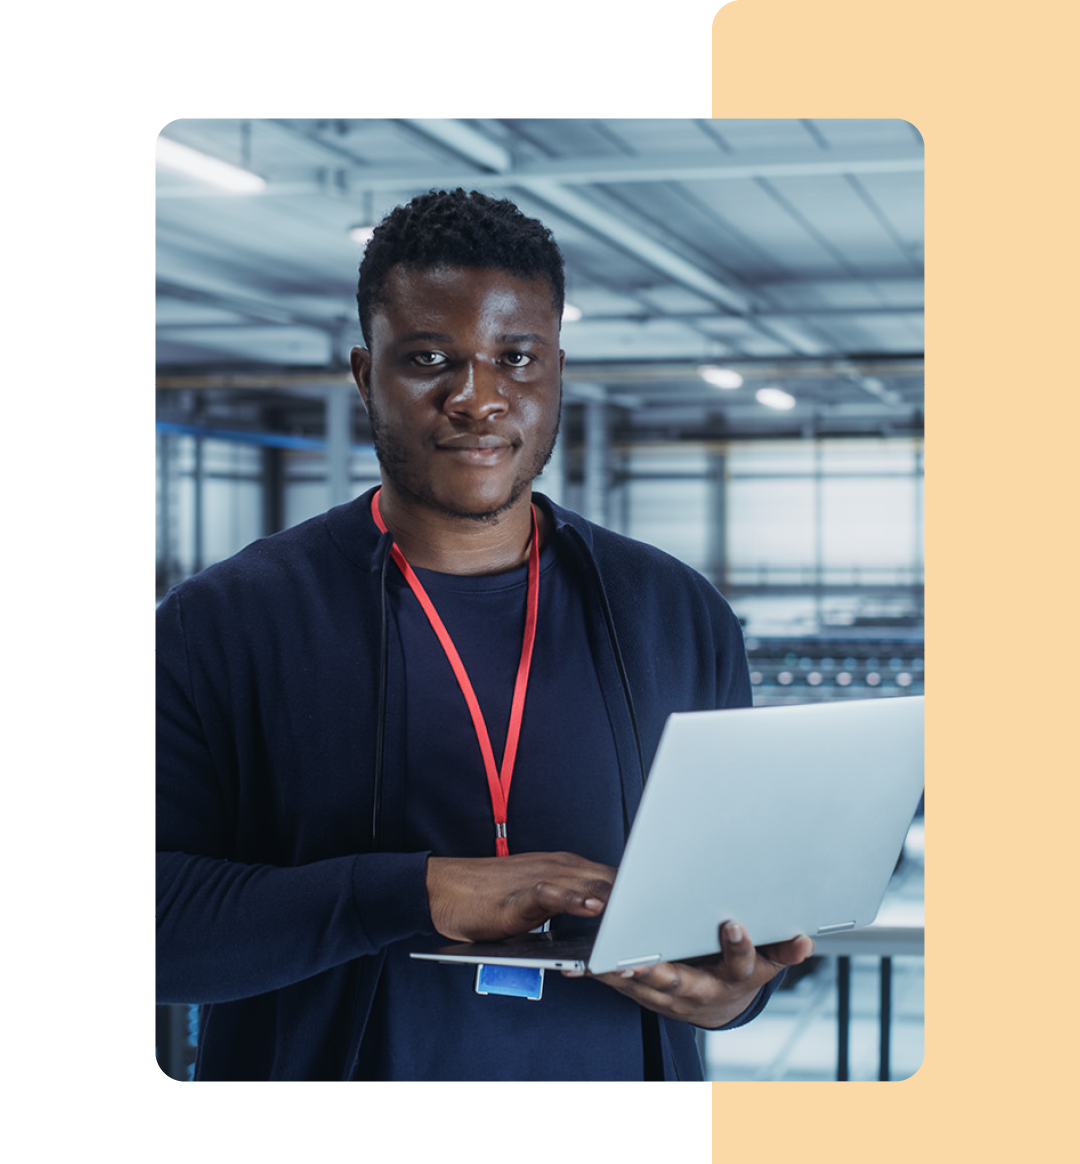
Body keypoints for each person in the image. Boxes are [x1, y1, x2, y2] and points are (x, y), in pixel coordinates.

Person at [155, 188, 813, 1082]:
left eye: (517, 358)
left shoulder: (676, 614)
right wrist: (413, 890)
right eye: (431, 358)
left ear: (556, 374)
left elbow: (735, 899)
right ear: (364, 374)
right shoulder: (223, 624)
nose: (479, 398)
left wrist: (740, 993)